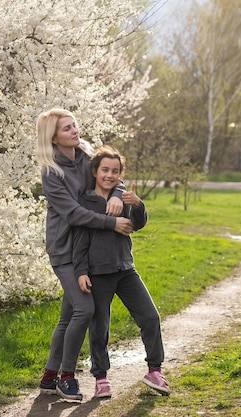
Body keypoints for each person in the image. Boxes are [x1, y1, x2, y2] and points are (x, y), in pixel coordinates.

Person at [35, 109, 135, 401]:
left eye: (75, 125)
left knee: (68, 318)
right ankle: (67, 377)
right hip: (65, 250)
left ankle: (48, 376)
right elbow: (74, 213)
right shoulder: (52, 173)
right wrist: (112, 223)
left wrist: (117, 195)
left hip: (88, 249)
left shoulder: (86, 156)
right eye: (67, 129)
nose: (75, 131)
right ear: (53, 138)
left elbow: (111, 175)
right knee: (85, 310)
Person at [73, 145, 170, 397]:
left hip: (126, 270)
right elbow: (80, 240)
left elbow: (138, 224)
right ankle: (101, 378)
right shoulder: (85, 201)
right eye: (105, 169)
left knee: (150, 317)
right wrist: (81, 271)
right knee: (99, 328)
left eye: (115, 171)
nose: (110, 175)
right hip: (97, 274)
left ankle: (155, 371)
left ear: (120, 174)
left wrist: (137, 204)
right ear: (95, 171)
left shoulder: (124, 196)